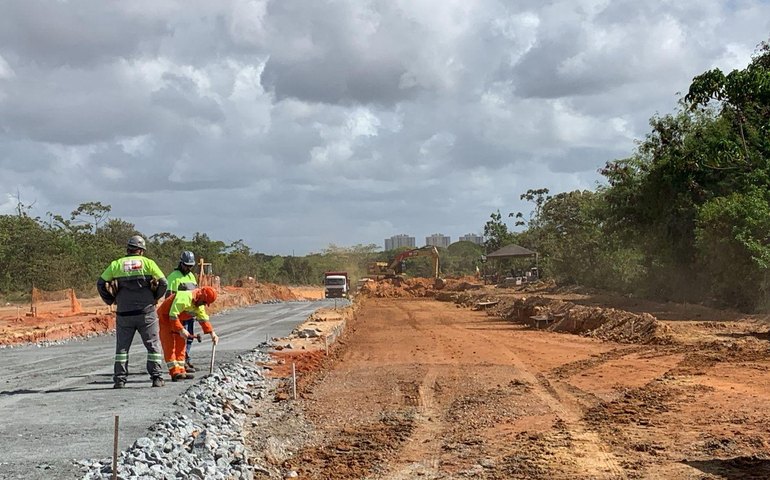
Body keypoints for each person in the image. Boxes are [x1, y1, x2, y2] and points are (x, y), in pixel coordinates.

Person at [96, 235, 168, 389]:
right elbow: (163, 282)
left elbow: (101, 282)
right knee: (153, 346)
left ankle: (120, 380)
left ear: (128, 249)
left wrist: (110, 299)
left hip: (124, 314)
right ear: (141, 250)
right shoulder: (148, 263)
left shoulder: (116, 265)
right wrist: (154, 297)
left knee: (122, 348)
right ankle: (156, 378)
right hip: (146, 313)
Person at [157, 286, 219, 381]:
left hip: (178, 319)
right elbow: (173, 315)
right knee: (169, 345)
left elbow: (203, 319)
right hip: (166, 317)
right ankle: (174, 372)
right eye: (204, 302)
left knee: (181, 344)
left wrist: (212, 333)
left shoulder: (199, 305)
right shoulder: (184, 297)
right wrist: (181, 330)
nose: (204, 304)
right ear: (201, 295)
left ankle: (181, 370)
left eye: (206, 303)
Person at [165, 251, 199, 372]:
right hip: (179, 314)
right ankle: (181, 362)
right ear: (181, 263)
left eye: (191, 266)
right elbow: (169, 297)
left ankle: (185, 359)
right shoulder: (173, 277)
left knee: (189, 337)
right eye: (186, 265)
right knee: (180, 338)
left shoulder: (191, 276)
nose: (189, 268)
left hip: (189, 314)